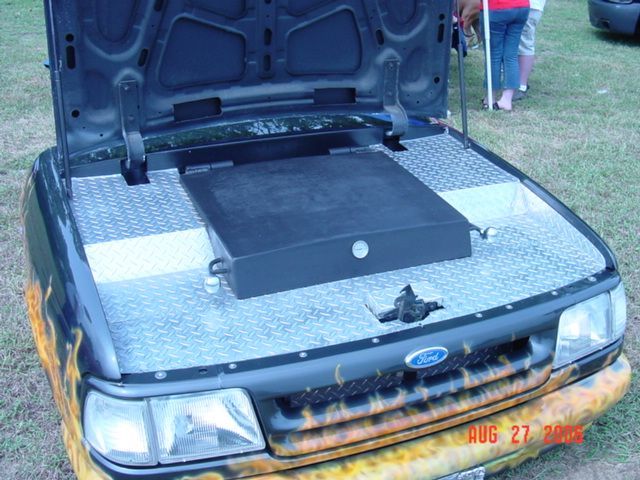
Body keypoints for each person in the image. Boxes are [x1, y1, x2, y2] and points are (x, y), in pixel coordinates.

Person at [480, 0, 530, 111]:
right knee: (511, 55)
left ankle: (490, 98)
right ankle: (506, 99)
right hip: (521, 6)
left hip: (497, 7)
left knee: (493, 55)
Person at [513, 0, 546, 100]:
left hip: (530, 6)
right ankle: (518, 82)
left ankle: (522, 86)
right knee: (521, 43)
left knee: (524, 44)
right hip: (525, 6)